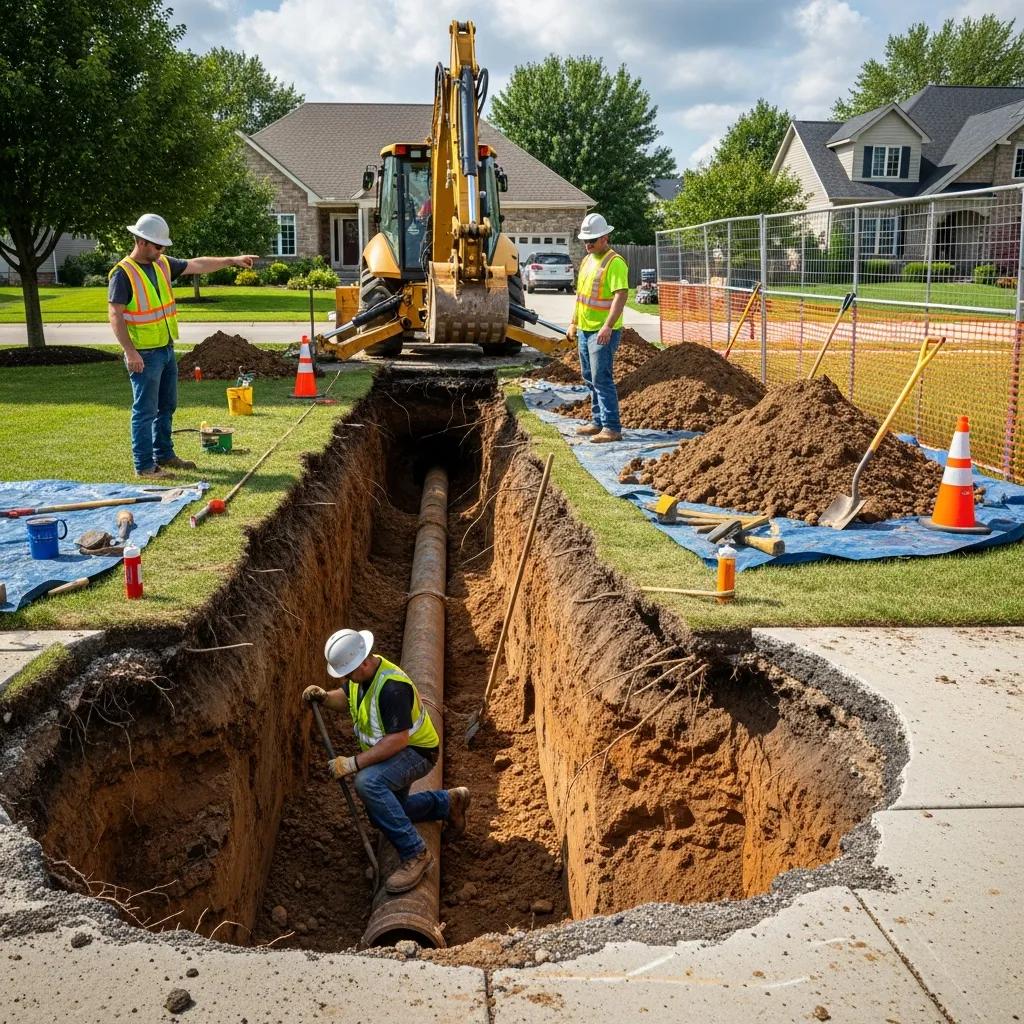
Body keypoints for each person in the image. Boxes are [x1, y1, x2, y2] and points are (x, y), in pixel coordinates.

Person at [302, 628, 470, 895]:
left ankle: (416, 853)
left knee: (368, 783)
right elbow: (346, 698)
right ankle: (447, 803)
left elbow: (398, 740)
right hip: (397, 752)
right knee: (384, 813)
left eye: (348, 673)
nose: (346, 678)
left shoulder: (392, 688)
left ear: (363, 663)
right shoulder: (361, 677)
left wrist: (353, 763)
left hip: (417, 752)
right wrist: (324, 697)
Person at [108, 213, 258, 478]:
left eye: (163, 246)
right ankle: (145, 467)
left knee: (167, 406)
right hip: (143, 354)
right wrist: (130, 352)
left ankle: (164, 455)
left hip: (165, 349)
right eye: (158, 246)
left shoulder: (162, 264)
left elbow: (197, 264)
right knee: (144, 411)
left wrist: (231, 260)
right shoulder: (123, 273)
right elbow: (115, 315)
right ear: (141, 241)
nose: (162, 250)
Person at [567, 212, 629, 443]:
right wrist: (573, 322)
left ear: (605, 238)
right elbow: (581, 297)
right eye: (585, 240)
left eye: (592, 240)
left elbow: (621, 296)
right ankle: (597, 422)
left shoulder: (615, 263)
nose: (588, 244)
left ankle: (612, 428)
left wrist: (608, 326)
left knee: (602, 378)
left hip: (602, 331)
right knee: (589, 376)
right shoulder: (587, 260)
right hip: (585, 329)